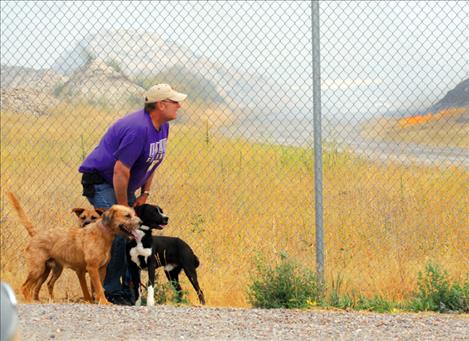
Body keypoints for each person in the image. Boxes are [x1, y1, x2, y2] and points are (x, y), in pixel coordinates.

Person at [78, 83, 187, 305]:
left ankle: (130, 289)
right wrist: (124, 210)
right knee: (119, 231)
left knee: (135, 231)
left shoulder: (163, 126)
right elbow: (120, 170)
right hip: (101, 181)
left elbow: (152, 162)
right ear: (161, 104)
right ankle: (109, 292)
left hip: (122, 184)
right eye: (174, 102)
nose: (179, 105)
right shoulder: (138, 128)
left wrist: (145, 192)